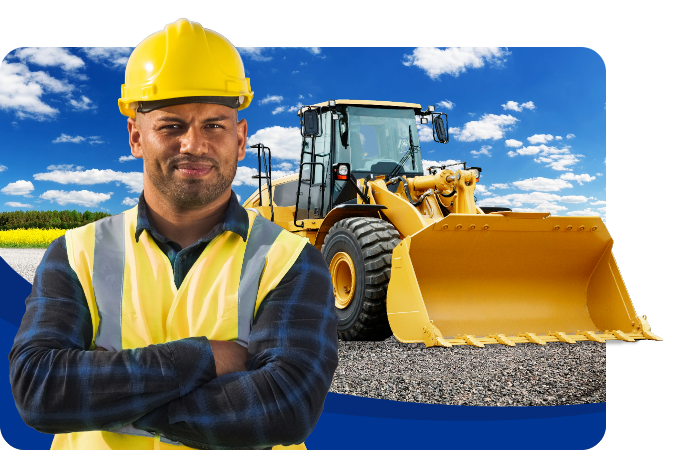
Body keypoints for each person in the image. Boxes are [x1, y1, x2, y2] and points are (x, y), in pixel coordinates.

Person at [9, 18, 339, 450]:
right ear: (136, 137)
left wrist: (107, 396)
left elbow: (284, 407)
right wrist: (207, 357)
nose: (194, 144)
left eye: (214, 125)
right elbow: (40, 390)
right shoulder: (75, 254)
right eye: (171, 126)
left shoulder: (292, 261)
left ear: (240, 139)